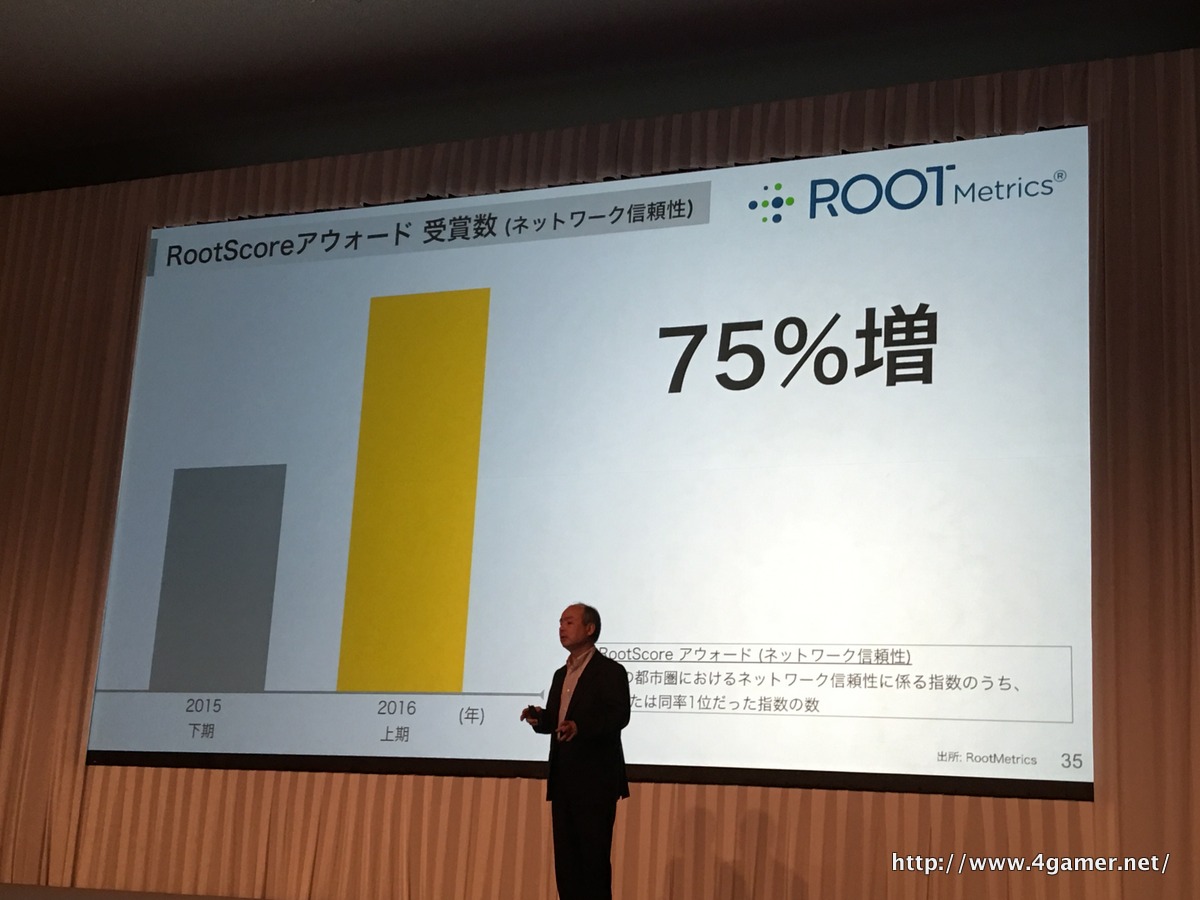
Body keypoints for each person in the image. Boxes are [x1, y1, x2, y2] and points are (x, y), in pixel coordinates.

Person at [520, 603, 631, 900]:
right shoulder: (561, 674)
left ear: (590, 629)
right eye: (560, 623)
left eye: (569, 622)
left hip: (596, 783)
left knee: (593, 865)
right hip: (564, 781)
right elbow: (558, 721)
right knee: (567, 867)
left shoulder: (610, 671)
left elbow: (619, 715)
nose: (561, 628)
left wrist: (580, 727)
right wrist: (539, 718)